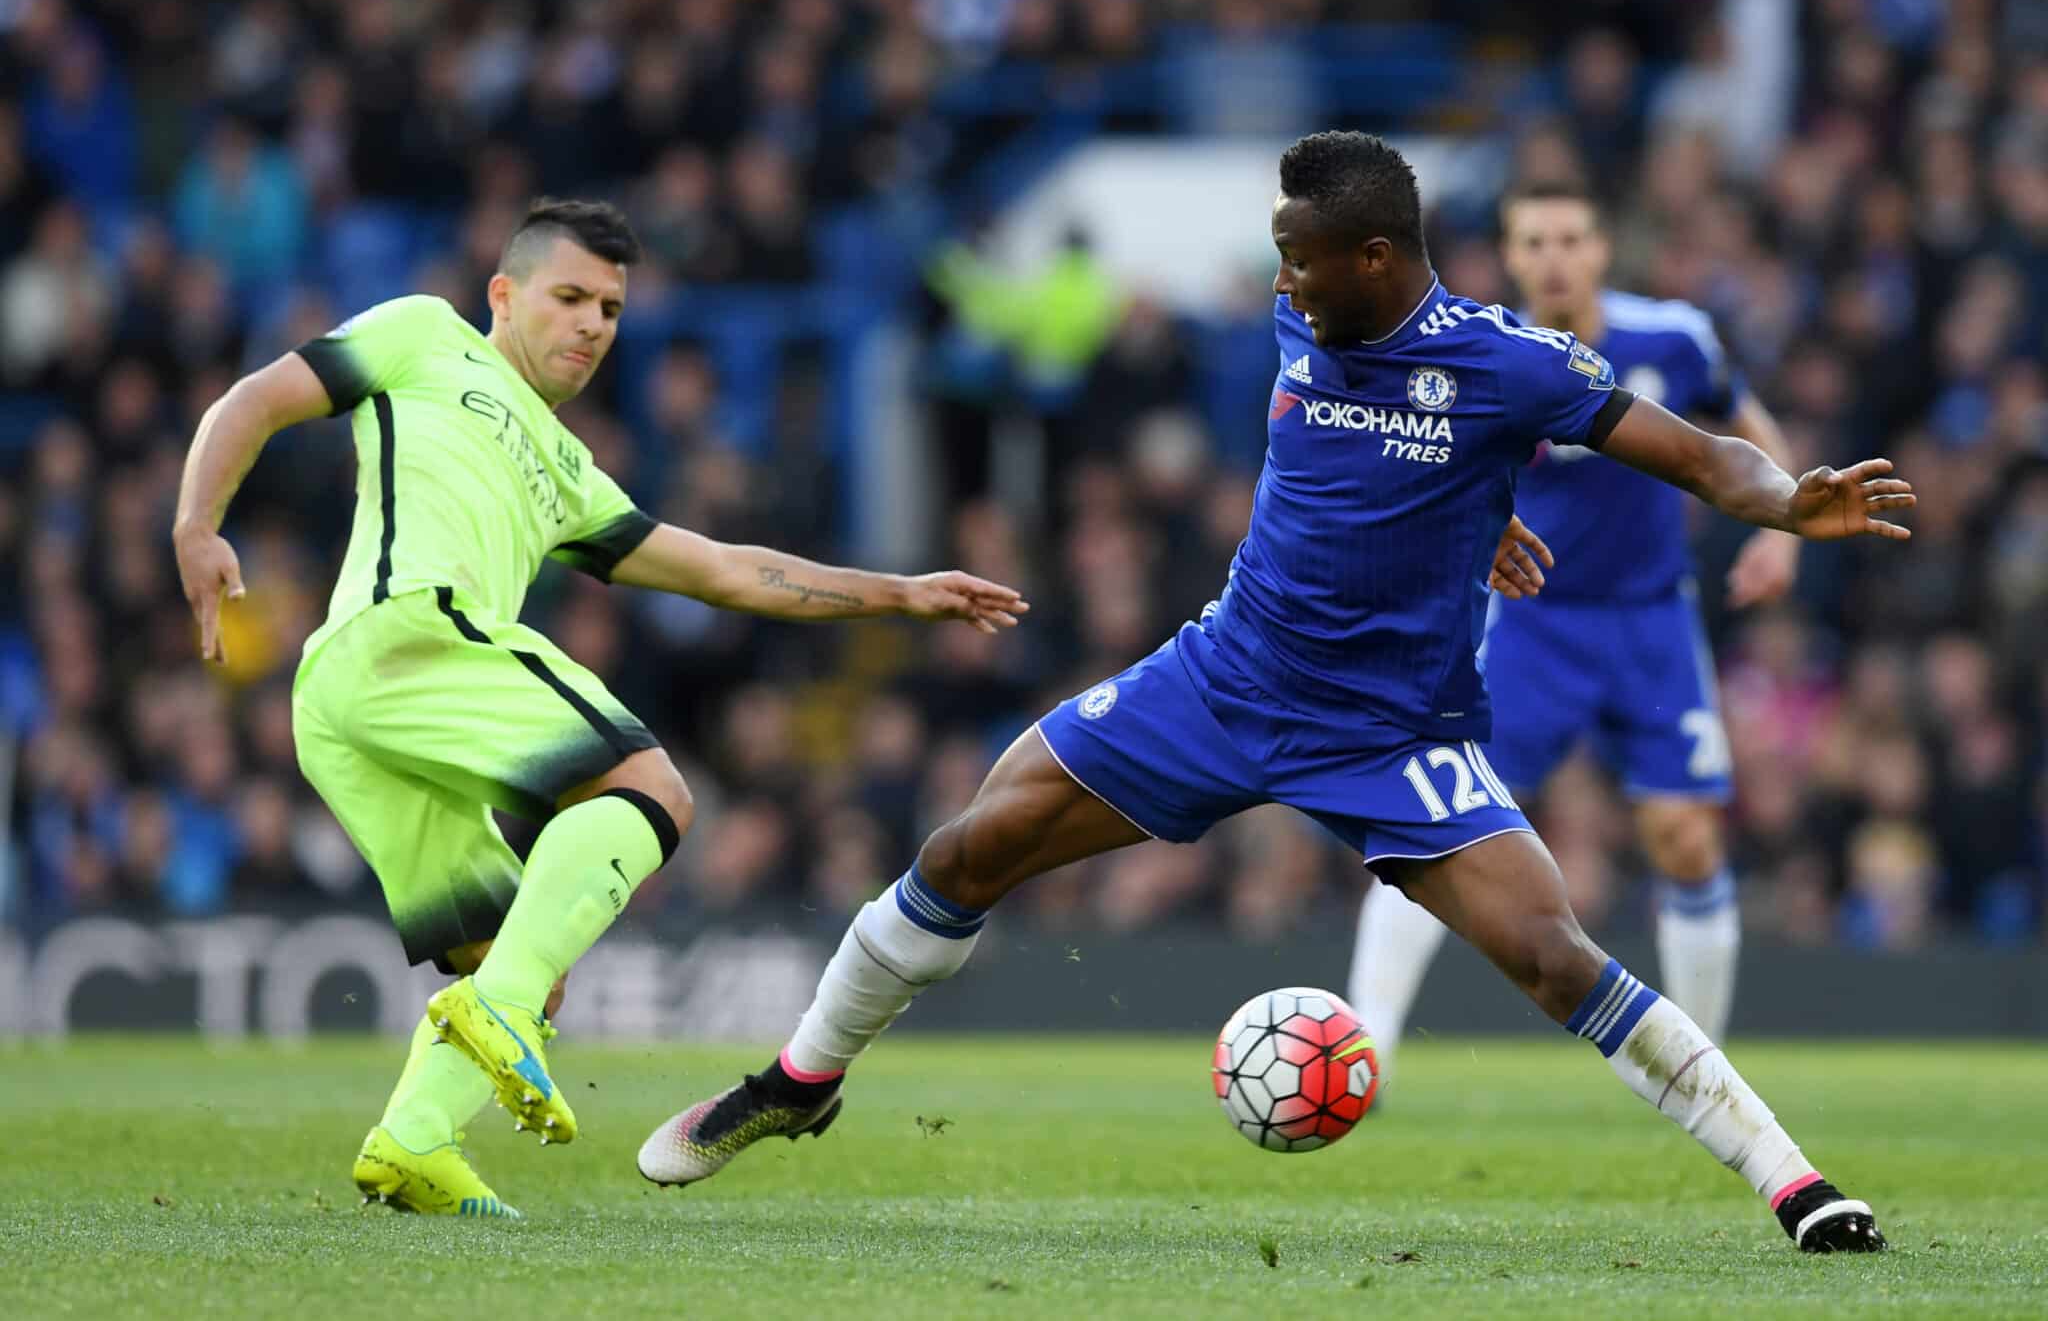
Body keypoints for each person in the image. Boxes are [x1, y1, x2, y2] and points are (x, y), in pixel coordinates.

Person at [637, 134, 1910, 1254]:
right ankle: (798, 1081)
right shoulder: (1304, 315)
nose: (1279, 281)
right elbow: (1356, 478)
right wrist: (1469, 517)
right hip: (1226, 677)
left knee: (1550, 953)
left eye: (1298, 258)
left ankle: (1792, 1183)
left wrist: (1783, 502)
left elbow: (1696, 453)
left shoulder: (1507, 363)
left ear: (1371, 255)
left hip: (1391, 728)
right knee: (970, 845)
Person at [171, 198, 1029, 1219]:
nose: (592, 325)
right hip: (406, 636)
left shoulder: (569, 472)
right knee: (651, 788)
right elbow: (255, 400)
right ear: (503, 293)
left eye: (612, 310)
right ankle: (499, 1011)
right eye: (569, 296)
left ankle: (412, 1142)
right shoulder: (421, 334)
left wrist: (896, 591)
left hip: (353, 709)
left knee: (516, 949)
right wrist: (196, 520)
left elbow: (723, 570)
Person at [1349, 179, 1801, 1068]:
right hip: (1530, 626)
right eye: (1534, 243)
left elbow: (1743, 423)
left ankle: (1701, 1065)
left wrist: (1783, 530)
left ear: (1600, 249)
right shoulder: (1485, 357)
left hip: (1650, 624)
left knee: (1685, 835)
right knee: (1436, 819)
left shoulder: (1671, 339)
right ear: (1511, 258)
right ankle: (1371, 1041)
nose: (1554, 258)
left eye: (1570, 239)